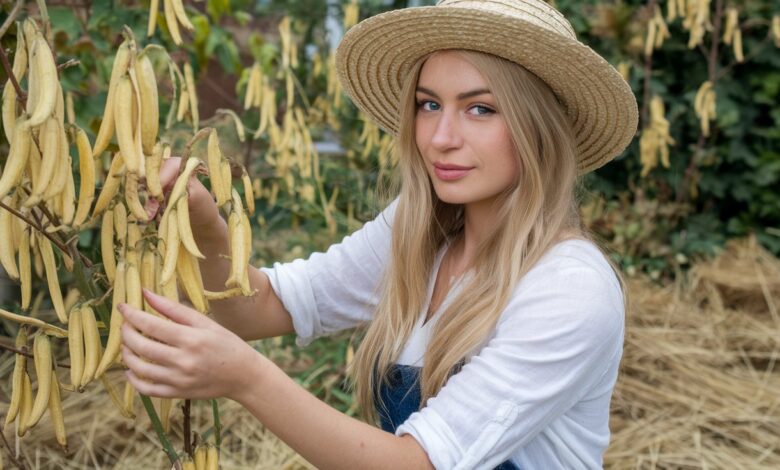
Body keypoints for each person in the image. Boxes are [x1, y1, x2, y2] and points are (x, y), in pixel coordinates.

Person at [118, 0, 638, 468]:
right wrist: (205, 224)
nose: (440, 138)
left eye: (481, 109)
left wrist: (248, 379)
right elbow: (262, 307)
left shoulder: (568, 288)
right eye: (429, 104)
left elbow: (418, 464)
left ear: (538, 128)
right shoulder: (417, 231)